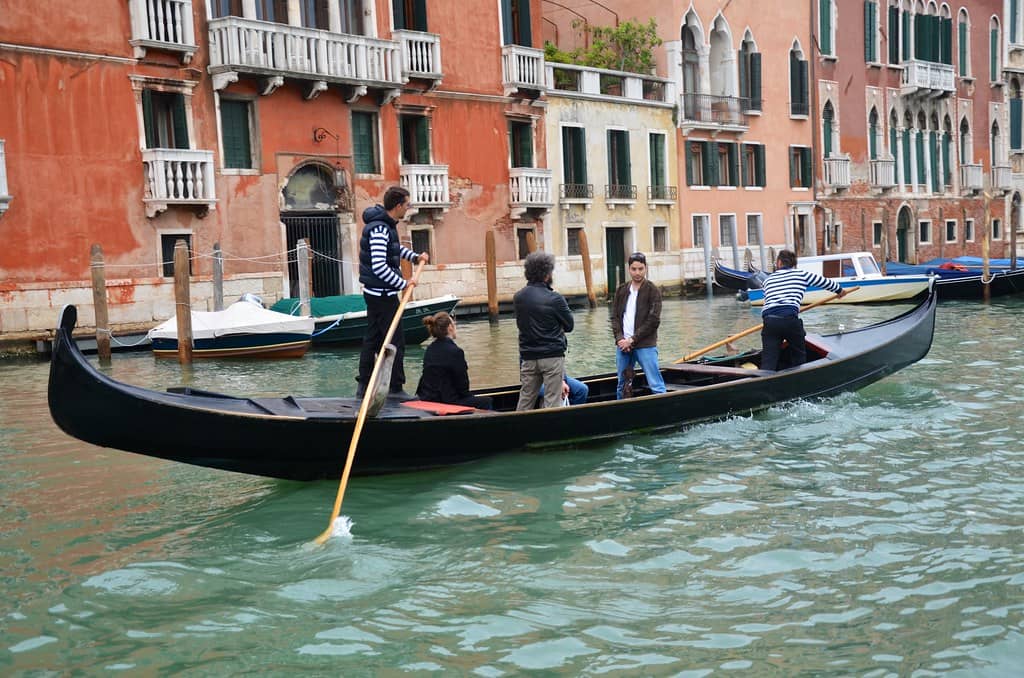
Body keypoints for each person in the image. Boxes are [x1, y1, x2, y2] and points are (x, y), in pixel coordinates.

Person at [356, 186, 429, 400]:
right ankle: (396, 389)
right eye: (407, 205)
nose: (408, 209)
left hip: (378, 293)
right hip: (382, 295)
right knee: (395, 341)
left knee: (373, 339)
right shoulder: (380, 229)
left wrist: (415, 257)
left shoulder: (386, 225)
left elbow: (393, 252)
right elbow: (379, 265)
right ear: (398, 206)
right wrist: (403, 283)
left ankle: (364, 387)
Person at [759, 249, 847, 371]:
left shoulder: (767, 280)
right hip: (790, 319)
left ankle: (764, 383)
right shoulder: (801, 274)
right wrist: (839, 291)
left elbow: (769, 301)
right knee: (799, 356)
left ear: (779, 263)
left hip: (769, 321)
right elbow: (825, 282)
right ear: (794, 265)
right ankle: (799, 377)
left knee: (769, 360)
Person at [513, 251, 574, 410]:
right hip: (551, 356)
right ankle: (551, 432)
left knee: (526, 398)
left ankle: (517, 430)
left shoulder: (518, 297)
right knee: (552, 401)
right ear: (547, 274)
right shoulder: (555, 298)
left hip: (528, 356)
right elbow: (570, 325)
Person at [611, 252, 665, 399]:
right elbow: (615, 317)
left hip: (645, 345)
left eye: (640, 269)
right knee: (622, 384)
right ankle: (621, 414)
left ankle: (664, 412)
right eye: (634, 269)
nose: (637, 273)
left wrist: (632, 339)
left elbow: (653, 321)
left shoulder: (653, 290)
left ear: (645, 268)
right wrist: (620, 339)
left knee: (655, 383)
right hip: (623, 345)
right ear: (629, 269)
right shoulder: (621, 290)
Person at [415, 312, 493, 410]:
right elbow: (463, 387)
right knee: (486, 401)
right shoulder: (456, 351)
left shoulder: (430, 349)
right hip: (447, 401)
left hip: (427, 397)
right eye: (454, 324)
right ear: (450, 327)